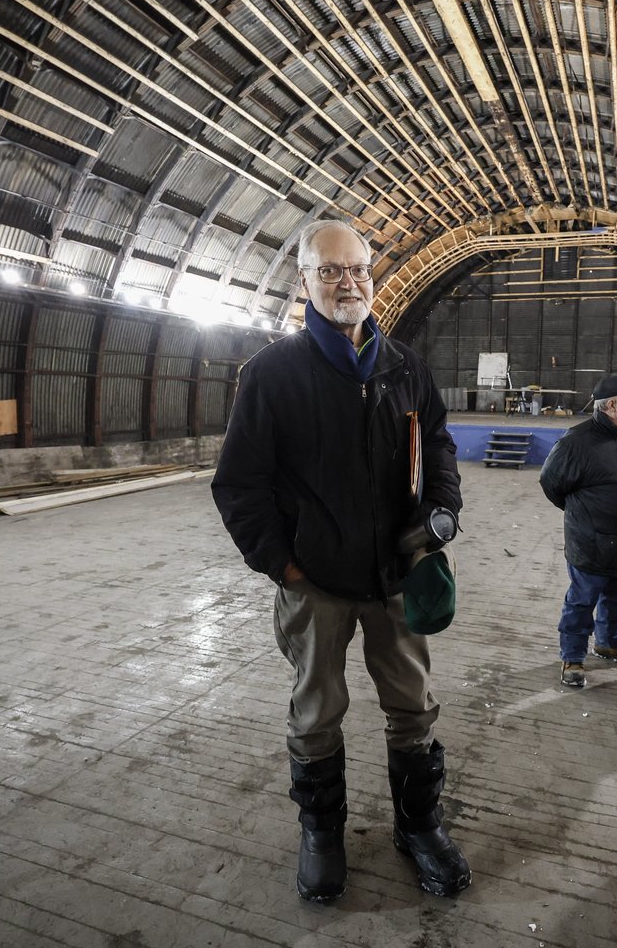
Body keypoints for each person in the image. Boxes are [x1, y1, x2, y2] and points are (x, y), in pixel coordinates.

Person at [212, 219, 470, 903]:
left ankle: (419, 826)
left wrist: (440, 511)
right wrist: (285, 566)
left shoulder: (405, 366)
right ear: (304, 282)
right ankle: (322, 833)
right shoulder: (271, 374)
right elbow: (239, 485)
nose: (348, 280)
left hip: (397, 574)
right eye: (330, 270)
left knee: (413, 707)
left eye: (357, 268)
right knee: (316, 712)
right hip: (315, 583)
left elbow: (438, 445)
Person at [539, 374, 617, 689]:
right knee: (582, 600)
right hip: (591, 543)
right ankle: (573, 656)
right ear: (612, 404)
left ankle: (609, 642)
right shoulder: (577, 441)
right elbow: (551, 483)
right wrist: (584, 515)